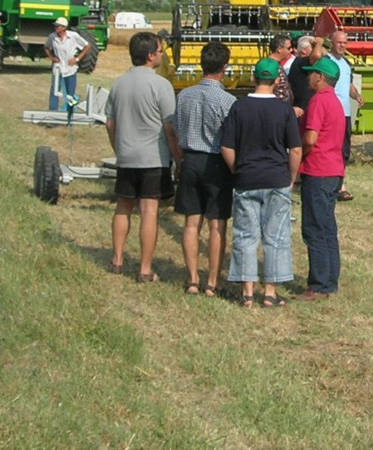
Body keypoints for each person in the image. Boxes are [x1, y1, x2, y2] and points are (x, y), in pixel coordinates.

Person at [220, 57, 303, 308]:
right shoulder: (284, 110)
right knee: (276, 237)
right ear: (278, 80)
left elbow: (227, 146)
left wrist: (238, 169)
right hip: (276, 177)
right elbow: (296, 149)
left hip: (247, 177)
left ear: (254, 78)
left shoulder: (239, 107)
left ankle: (246, 292)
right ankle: (269, 292)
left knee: (245, 235)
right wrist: (291, 178)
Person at [106, 32, 180, 282]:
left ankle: (117, 260)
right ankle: (145, 268)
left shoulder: (118, 83)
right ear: (150, 56)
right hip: (152, 158)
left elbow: (110, 123)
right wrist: (178, 159)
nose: (162, 54)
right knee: (149, 211)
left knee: (123, 206)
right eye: (160, 51)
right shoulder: (161, 85)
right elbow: (170, 128)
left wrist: (119, 149)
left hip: (126, 155)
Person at [171, 41, 235, 296]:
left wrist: (179, 159)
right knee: (216, 224)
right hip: (216, 162)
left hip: (190, 159)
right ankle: (212, 281)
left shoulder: (184, 95)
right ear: (225, 67)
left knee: (191, 222)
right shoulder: (227, 100)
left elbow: (175, 131)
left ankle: (193, 278)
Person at [297, 54, 346, 300]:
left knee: (314, 228)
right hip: (334, 170)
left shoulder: (318, 101)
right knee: (327, 227)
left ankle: (318, 285)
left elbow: (311, 138)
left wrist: (297, 156)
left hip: (317, 170)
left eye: (311, 73)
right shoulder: (336, 102)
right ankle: (329, 281)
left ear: (320, 77)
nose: (308, 76)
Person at [328, 30, 363, 201]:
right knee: (330, 149)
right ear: (331, 43)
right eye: (339, 42)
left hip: (345, 113)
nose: (342, 45)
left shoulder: (347, 63)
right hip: (331, 114)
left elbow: (348, 85)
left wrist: (356, 95)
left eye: (345, 42)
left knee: (344, 150)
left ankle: (341, 183)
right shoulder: (326, 62)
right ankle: (333, 185)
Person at [46, 17, 90, 111]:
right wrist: (52, 57)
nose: (56, 28)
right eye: (55, 26)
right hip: (58, 69)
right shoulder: (52, 37)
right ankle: (52, 115)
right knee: (55, 92)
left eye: (58, 26)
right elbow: (46, 47)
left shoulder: (73, 36)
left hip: (70, 69)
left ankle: (70, 117)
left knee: (70, 94)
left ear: (64, 27)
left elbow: (87, 46)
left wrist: (77, 59)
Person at [268, 33, 295, 103]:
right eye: (289, 48)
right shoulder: (269, 66)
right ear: (279, 49)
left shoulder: (276, 64)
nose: (291, 50)